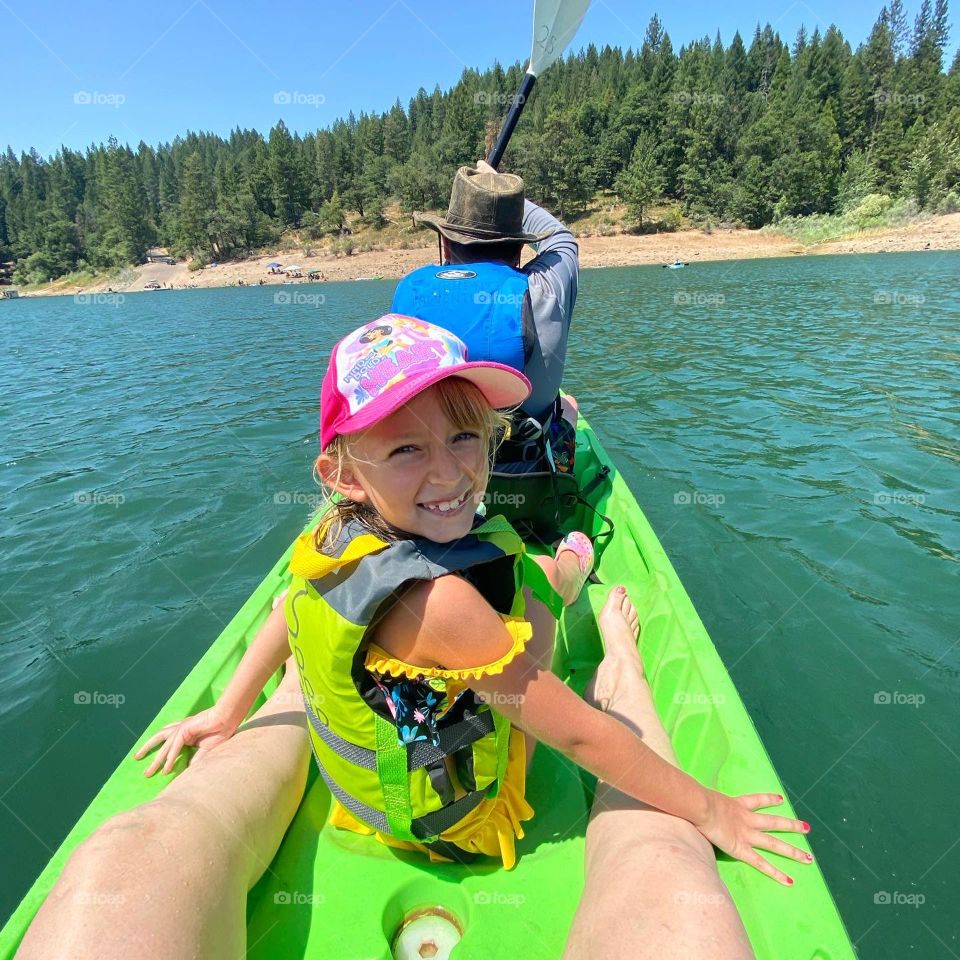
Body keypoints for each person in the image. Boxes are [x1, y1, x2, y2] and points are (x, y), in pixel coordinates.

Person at [18, 315, 812, 958]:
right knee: (551, 618)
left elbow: (287, 618)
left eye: (465, 437)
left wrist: (231, 713)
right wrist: (709, 810)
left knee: (462, 589)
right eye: (406, 447)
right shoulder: (444, 609)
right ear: (344, 470)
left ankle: (549, 578)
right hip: (461, 814)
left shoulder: (331, 533)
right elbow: (587, 742)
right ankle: (602, 624)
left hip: (366, 795)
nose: (451, 474)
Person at [391, 161, 580, 538]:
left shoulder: (407, 292)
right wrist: (503, 191)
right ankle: (556, 493)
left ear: (445, 241)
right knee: (568, 404)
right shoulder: (546, 291)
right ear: (520, 248)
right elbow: (562, 239)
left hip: (437, 484)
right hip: (522, 477)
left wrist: (484, 191)